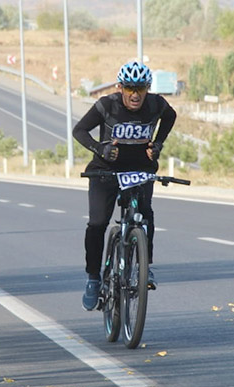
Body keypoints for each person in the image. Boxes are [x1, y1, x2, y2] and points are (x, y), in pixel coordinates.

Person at [73, 61, 177, 311]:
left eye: (140, 88)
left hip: (140, 169)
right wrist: (101, 148)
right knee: (97, 223)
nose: (135, 94)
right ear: (120, 87)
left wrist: (158, 144)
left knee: (145, 215)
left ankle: (144, 268)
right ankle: (93, 278)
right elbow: (80, 130)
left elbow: (170, 117)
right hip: (105, 171)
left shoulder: (156, 104)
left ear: (147, 88)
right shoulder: (107, 105)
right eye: (129, 88)